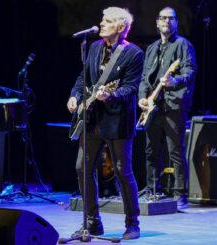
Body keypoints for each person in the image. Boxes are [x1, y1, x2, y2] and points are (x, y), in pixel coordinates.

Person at [67, 7, 144, 240]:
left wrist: (111, 95)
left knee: (123, 171)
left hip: (118, 121)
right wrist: (75, 95)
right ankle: (92, 222)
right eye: (102, 19)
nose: (101, 24)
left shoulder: (134, 54)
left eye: (108, 21)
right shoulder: (93, 47)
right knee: (82, 168)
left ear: (121, 28)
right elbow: (84, 78)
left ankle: (133, 223)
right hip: (92, 120)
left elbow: (130, 87)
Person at [138, 7, 197, 210]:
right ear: (157, 22)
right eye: (163, 18)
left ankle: (180, 194)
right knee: (151, 150)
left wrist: (174, 81)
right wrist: (142, 99)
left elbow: (189, 71)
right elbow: (145, 78)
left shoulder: (182, 45)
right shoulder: (152, 48)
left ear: (176, 22)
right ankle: (153, 189)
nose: (167, 22)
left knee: (175, 151)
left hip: (173, 105)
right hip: (153, 107)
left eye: (171, 19)